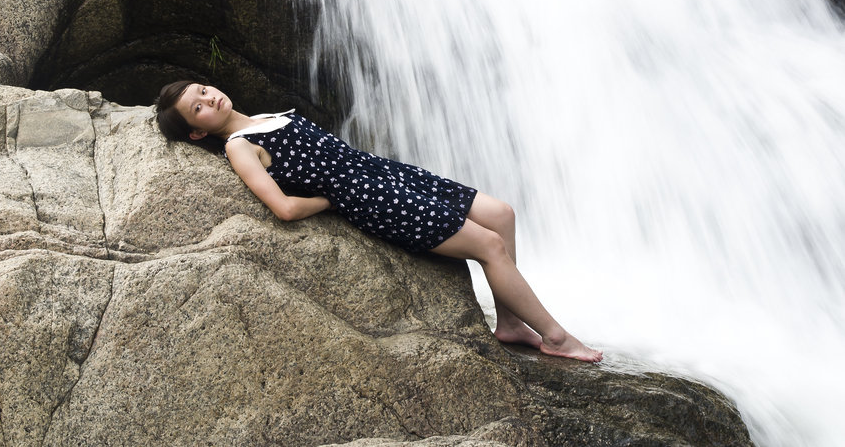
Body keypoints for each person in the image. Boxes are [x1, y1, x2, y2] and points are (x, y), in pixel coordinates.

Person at [155, 80, 602, 363]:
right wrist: (329, 202)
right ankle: (556, 336)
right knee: (490, 246)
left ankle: (509, 321)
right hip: (372, 200)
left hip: (385, 171)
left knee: (501, 213)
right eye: (199, 108)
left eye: (203, 90)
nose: (209, 98)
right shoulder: (237, 145)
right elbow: (284, 208)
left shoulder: (269, 116)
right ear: (198, 131)